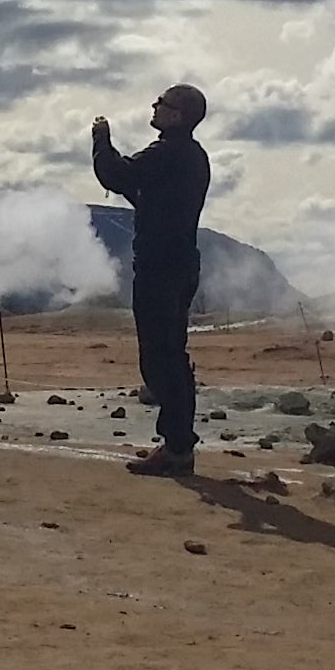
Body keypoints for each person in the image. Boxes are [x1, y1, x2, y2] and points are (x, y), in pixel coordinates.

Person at [93, 83, 211, 475]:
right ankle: (178, 444)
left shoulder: (168, 151)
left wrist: (101, 137)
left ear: (177, 115)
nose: (155, 106)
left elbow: (115, 174)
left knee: (160, 359)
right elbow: (147, 193)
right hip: (180, 264)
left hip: (161, 266)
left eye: (162, 103)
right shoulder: (193, 156)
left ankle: (177, 447)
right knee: (172, 354)